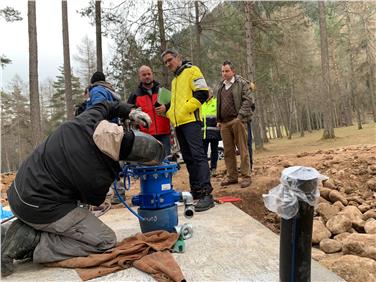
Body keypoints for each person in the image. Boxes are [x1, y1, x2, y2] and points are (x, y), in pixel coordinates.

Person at [1, 101, 163, 277]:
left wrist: (129, 111)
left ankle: (12, 230)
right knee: (105, 240)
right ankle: (36, 241)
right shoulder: (96, 175)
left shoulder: (88, 120)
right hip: (41, 207)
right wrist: (115, 170)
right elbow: (95, 200)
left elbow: (107, 106)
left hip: (18, 192)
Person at [159, 49, 214, 212]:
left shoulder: (192, 70)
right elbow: (174, 105)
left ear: (178, 58)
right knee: (189, 159)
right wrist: (168, 112)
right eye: (166, 62)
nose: (168, 64)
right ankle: (196, 191)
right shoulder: (175, 80)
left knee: (198, 157)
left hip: (191, 121)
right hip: (178, 124)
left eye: (170, 60)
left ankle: (206, 194)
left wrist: (185, 110)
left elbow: (203, 93)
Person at [217, 61, 254, 188]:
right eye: (222, 71)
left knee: (243, 149)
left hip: (237, 121)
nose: (224, 73)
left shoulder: (241, 83)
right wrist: (219, 120)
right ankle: (232, 176)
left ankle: (246, 176)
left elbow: (248, 100)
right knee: (228, 152)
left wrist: (240, 117)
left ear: (233, 71)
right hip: (224, 123)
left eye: (227, 71)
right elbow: (219, 104)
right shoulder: (221, 86)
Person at [127, 65, 171, 157]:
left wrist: (165, 107)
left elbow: (173, 105)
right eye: (144, 75)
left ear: (152, 74)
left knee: (166, 161)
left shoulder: (162, 90)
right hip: (146, 135)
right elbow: (129, 112)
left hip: (164, 133)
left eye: (149, 74)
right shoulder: (134, 94)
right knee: (149, 162)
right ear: (139, 77)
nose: (147, 76)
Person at [201, 88, 221, 176]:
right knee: (203, 152)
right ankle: (205, 170)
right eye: (205, 93)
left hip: (214, 132)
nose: (207, 94)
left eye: (208, 93)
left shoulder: (216, 102)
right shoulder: (200, 103)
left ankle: (213, 168)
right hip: (203, 133)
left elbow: (220, 114)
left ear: (211, 94)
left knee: (214, 151)